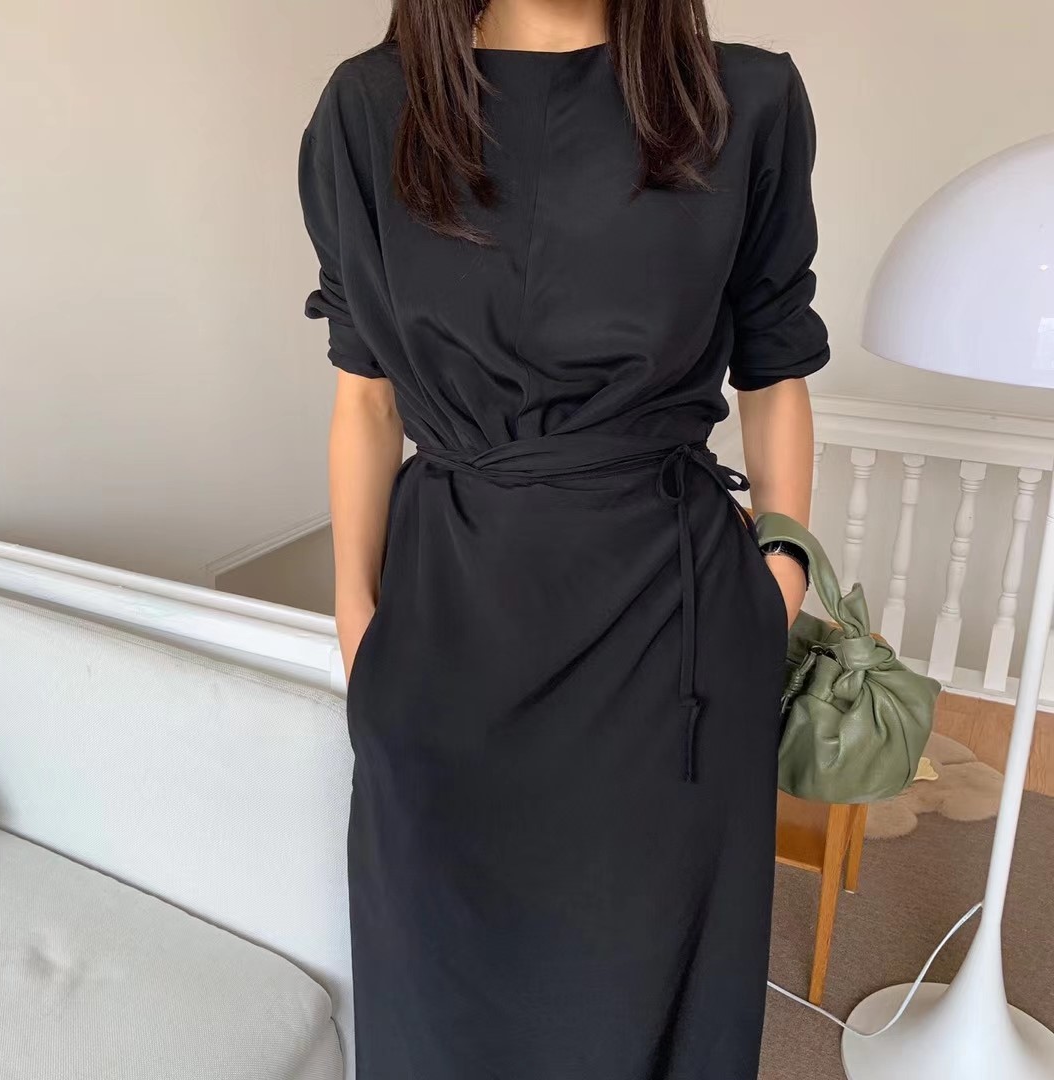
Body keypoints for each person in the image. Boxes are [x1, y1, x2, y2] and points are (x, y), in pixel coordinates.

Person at [298, 1, 828, 1076]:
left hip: (672, 633)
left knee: (657, 988)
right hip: (447, 626)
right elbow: (365, 395)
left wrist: (781, 570)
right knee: (436, 994)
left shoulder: (744, 98)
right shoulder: (369, 106)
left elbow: (775, 366)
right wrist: (358, 620)